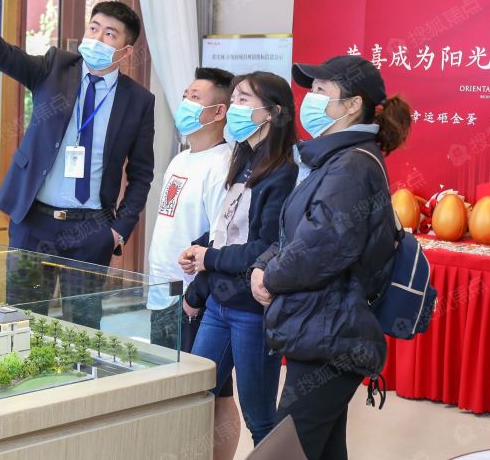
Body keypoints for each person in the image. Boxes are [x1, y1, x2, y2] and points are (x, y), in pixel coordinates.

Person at [0, 0, 155, 330]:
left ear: (126, 51)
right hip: (35, 223)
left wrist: (118, 230)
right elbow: (4, 56)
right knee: (23, 320)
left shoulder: (138, 100)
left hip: (91, 228)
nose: (97, 38)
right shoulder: (56, 67)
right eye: (94, 28)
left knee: (82, 327)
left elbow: (141, 174)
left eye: (110, 34)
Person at [250, 55, 412, 460]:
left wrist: (270, 276)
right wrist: (263, 264)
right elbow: (298, 233)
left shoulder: (351, 167)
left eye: (322, 90)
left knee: (284, 450)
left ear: (353, 105)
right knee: (321, 450)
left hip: (330, 334)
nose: (311, 97)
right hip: (323, 328)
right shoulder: (334, 159)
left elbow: (322, 246)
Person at [180, 71, 299, 452]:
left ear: (272, 112)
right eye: (233, 100)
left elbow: (266, 245)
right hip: (219, 302)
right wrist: (200, 252)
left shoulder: (283, 172)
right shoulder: (243, 158)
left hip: (251, 309)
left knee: (259, 416)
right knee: (195, 397)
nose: (234, 108)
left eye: (244, 100)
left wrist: (209, 258)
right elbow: (227, 228)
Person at [146, 67, 239, 459]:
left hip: (193, 299)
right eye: (185, 94)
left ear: (219, 111)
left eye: (195, 98)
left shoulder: (224, 164)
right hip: (161, 291)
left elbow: (221, 240)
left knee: (211, 393)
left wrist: (197, 295)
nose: (185, 103)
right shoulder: (181, 158)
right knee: (168, 390)